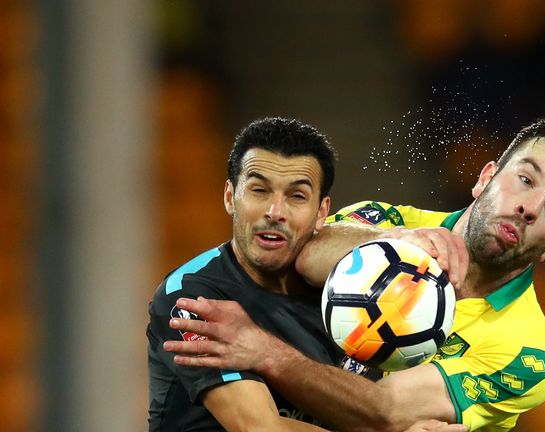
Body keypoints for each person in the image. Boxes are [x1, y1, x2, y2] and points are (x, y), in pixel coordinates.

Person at [163, 115, 545, 432]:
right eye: (525, 178)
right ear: (486, 176)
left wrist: (263, 352)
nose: (528, 207)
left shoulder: (528, 356)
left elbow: (386, 411)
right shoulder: (387, 218)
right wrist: (397, 244)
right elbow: (307, 254)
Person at [146, 117, 464, 432]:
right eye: (259, 190)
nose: (275, 212)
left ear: (321, 213)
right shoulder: (192, 295)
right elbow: (259, 427)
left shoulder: (360, 293)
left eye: (296, 196)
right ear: (231, 197)